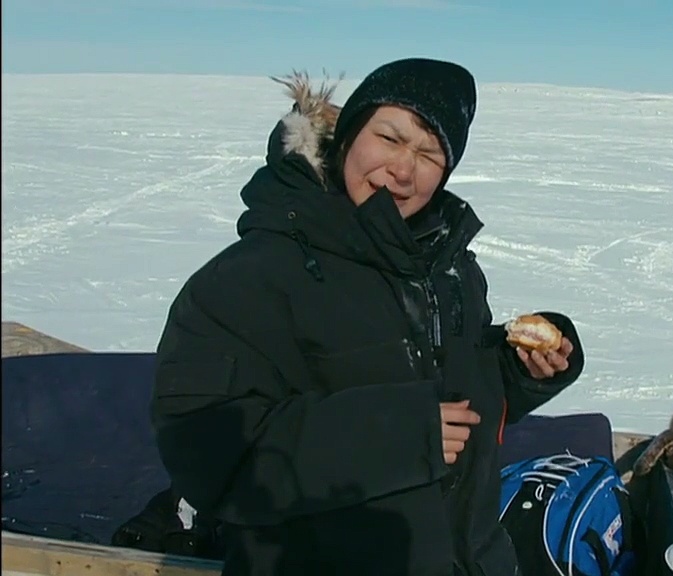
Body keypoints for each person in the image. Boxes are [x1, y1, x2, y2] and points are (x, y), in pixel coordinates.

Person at [150, 57, 585, 576]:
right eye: (389, 137)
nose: (403, 169)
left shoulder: (447, 266)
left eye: (429, 153)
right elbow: (207, 450)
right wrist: (396, 435)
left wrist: (515, 369)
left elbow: (452, 395)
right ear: (351, 133)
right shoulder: (255, 275)